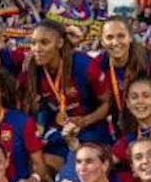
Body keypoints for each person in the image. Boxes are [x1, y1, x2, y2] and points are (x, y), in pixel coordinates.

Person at [19, 19, 111, 167]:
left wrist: (85, 120)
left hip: (90, 131)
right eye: (33, 43)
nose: (37, 48)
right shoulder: (32, 70)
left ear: (60, 43)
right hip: (58, 133)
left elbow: (107, 103)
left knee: (85, 168)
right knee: (37, 164)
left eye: (44, 42)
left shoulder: (84, 66)